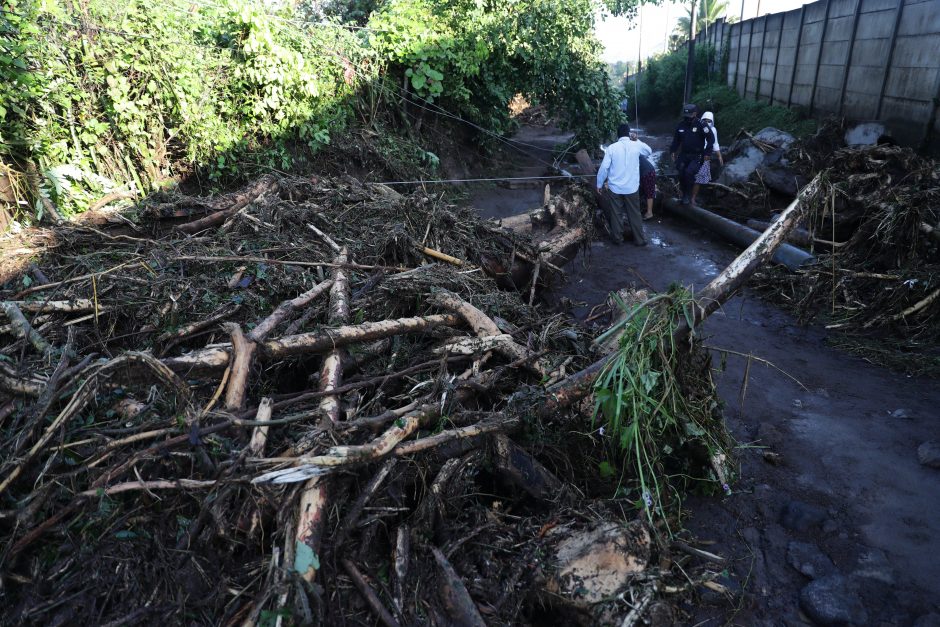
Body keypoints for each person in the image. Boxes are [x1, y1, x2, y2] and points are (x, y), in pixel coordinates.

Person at [597, 123, 652, 246]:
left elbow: (604, 168)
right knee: (635, 213)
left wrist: (599, 184)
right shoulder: (636, 146)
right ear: (628, 134)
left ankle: (617, 239)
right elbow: (649, 151)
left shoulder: (611, 148)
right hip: (632, 187)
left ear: (617, 135)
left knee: (616, 214)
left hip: (615, 187)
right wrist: (637, 140)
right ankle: (640, 240)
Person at [669, 103, 714, 205]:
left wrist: (708, 152)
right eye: (686, 117)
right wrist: (673, 151)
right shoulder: (681, 125)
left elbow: (711, 138)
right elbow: (676, 140)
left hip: (697, 155)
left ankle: (689, 196)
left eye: (689, 117)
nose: (687, 119)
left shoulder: (702, 125)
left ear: (695, 114)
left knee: (689, 172)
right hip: (684, 154)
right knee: (681, 173)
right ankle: (684, 194)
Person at [690, 111, 723, 207]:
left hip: (706, 155)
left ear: (712, 121)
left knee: (700, 178)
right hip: (695, 154)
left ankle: (693, 198)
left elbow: (715, 143)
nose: (707, 122)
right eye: (705, 120)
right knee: (690, 174)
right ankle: (686, 194)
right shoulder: (696, 127)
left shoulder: (713, 130)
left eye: (709, 121)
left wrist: (719, 155)